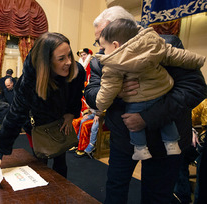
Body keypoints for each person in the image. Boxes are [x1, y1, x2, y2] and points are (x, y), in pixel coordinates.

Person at [84, 6, 207, 203]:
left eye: (103, 39)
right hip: (123, 140)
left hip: (166, 142)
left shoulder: (163, 46)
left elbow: (194, 89)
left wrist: (146, 118)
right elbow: (91, 94)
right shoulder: (101, 59)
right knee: (115, 190)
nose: (99, 47)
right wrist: (117, 92)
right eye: (98, 40)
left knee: (156, 196)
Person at [96, 18, 205, 160]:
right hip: (161, 91)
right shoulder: (153, 44)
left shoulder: (113, 64)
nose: (101, 51)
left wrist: (100, 105)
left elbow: (108, 89)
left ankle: (140, 148)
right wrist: (198, 59)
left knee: (132, 121)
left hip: (137, 100)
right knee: (166, 122)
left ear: (115, 45)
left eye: (103, 47)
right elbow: (177, 56)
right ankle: (172, 143)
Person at [0, 32, 85, 179]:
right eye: (61, 58)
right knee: (39, 163)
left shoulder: (76, 71)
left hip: (60, 122)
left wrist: (70, 113)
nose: (69, 62)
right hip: (36, 125)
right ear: (47, 62)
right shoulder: (29, 81)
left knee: (60, 161)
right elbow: (15, 116)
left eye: (69, 55)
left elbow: (76, 96)